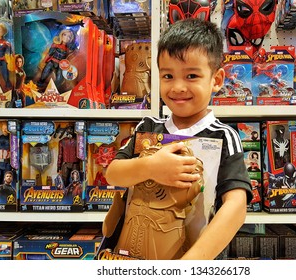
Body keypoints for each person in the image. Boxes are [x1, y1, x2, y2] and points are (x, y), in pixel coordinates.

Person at [104, 18, 252, 260]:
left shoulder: (224, 136)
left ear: (216, 80)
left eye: (192, 75)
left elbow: (236, 206)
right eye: (168, 76)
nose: (178, 87)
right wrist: (150, 167)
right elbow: (113, 174)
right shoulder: (148, 127)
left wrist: (190, 264)